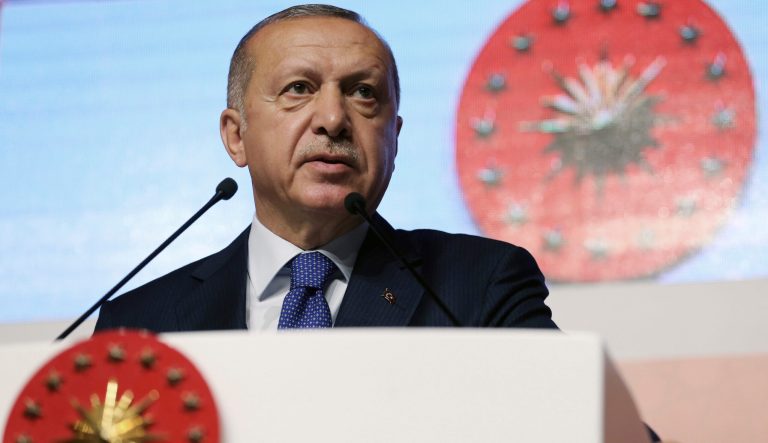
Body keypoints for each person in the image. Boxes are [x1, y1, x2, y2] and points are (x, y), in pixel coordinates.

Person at [94, 6, 655, 441]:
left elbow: (601, 430)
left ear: (394, 137)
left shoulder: (476, 286)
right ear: (236, 136)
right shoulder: (141, 321)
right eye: (299, 89)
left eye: (364, 94)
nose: (334, 118)